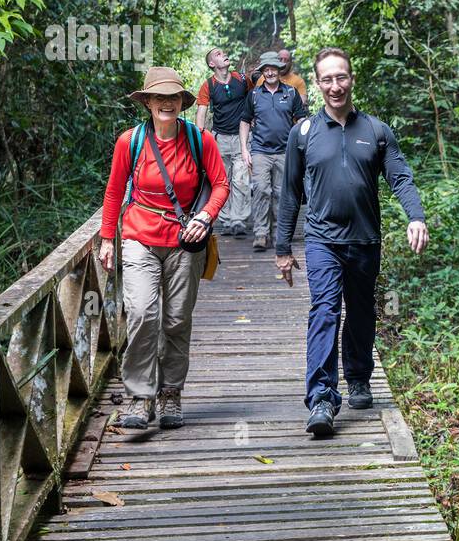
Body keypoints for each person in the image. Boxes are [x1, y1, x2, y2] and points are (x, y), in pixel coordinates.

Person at [275, 47, 429, 438]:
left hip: (365, 240)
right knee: (325, 310)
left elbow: (401, 178)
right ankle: (322, 398)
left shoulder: (375, 131)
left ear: (351, 78)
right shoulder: (303, 134)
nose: (335, 86)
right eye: (326, 79)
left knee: (361, 311)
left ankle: (359, 376)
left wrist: (416, 216)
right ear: (317, 84)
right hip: (322, 240)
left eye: (340, 77)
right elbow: (291, 194)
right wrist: (282, 249)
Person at [98, 67, 229, 429]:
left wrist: (204, 216)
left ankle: (170, 392)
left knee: (176, 320)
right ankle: (141, 398)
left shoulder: (200, 139)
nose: (167, 103)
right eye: (160, 97)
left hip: (186, 241)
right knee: (141, 312)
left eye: (173, 97)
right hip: (139, 235)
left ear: (181, 103)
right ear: (149, 103)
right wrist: (107, 238)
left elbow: (220, 184)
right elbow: (113, 191)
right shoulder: (131, 141)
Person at [241, 51, 307, 251]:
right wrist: (244, 149)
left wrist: (303, 146)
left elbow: (301, 120)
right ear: (262, 72)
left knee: (282, 193)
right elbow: (244, 121)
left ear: (279, 70)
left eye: (273, 69)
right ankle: (261, 234)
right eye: (266, 70)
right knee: (261, 190)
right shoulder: (254, 95)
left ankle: (280, 233)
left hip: (286, 151)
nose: (270, 73)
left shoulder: (291, 93)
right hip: (260, 150)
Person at [194, 47, 253, 237]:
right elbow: (201, 112)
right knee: (223, 181)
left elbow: (256, 96)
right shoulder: (208, 86)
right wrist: (200, 138)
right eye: (218, 54)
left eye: (224, 53)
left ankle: (239, 220)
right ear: (212, 64)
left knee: (242, 180)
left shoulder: (241, 79)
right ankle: (226, 220)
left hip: (242, 138)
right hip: (220, 140)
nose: (224, 54)